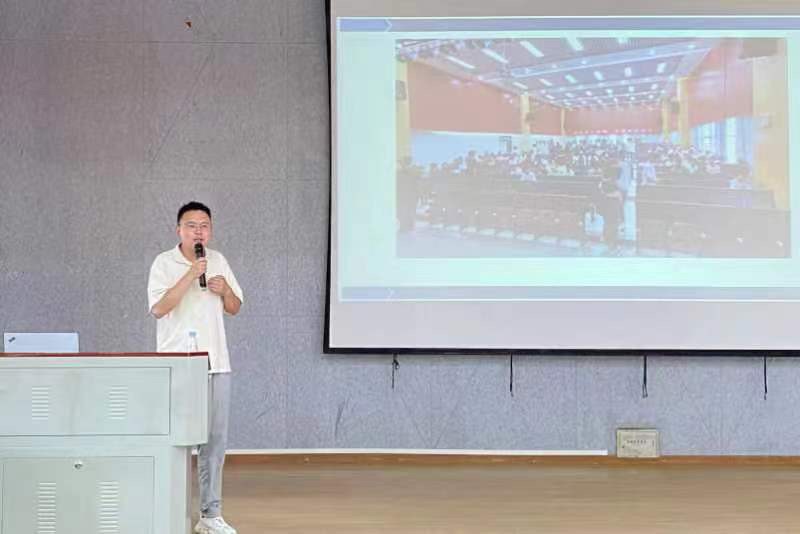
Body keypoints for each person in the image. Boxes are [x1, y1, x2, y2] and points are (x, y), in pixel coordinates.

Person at [147, 201, 243, 534]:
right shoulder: (163, 263)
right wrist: (191, 274)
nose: (198, 231)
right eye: (191, 225)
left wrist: (226, 290)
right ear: (179, 230)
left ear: (210, 231)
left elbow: (235, 307)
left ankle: (210, 515)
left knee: (214, 443)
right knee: (175, 440)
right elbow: (159, 308)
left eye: (204, 226)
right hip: (177, 364)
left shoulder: (219, 261)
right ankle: (170, 512)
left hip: (216, 363)